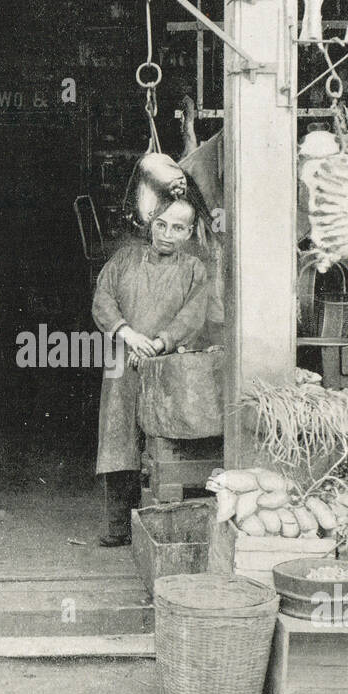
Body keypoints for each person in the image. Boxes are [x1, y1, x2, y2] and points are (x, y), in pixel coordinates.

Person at [92, 197, 209, 546]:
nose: (167, 234)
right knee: (119, 440)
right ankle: (118, 527)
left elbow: (192, 315)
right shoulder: (125, 259)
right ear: (150, 223)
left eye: (177, 227)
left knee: (166, 442)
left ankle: (163, 528)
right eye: (161, 224)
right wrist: (127, 333)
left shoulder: (193, 270)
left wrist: (158, 344)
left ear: (189, 232)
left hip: (169, 364)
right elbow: (103, 298)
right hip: (122, 361)